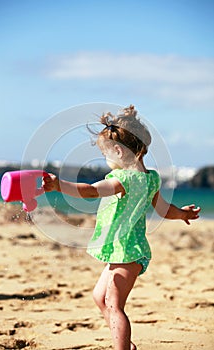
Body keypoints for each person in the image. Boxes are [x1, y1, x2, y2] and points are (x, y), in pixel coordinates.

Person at [42, 105, 200, 350]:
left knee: (114, 305)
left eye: (106, 155)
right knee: (100, 297)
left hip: (126, 251)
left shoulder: (122, 180)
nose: (106, 161)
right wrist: (181, 214)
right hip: (126, 250)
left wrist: (59, 185)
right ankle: (125, 343)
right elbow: (163, 209)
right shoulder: (151, 179)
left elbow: (92, 191)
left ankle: (122, 347)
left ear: (118, 150)